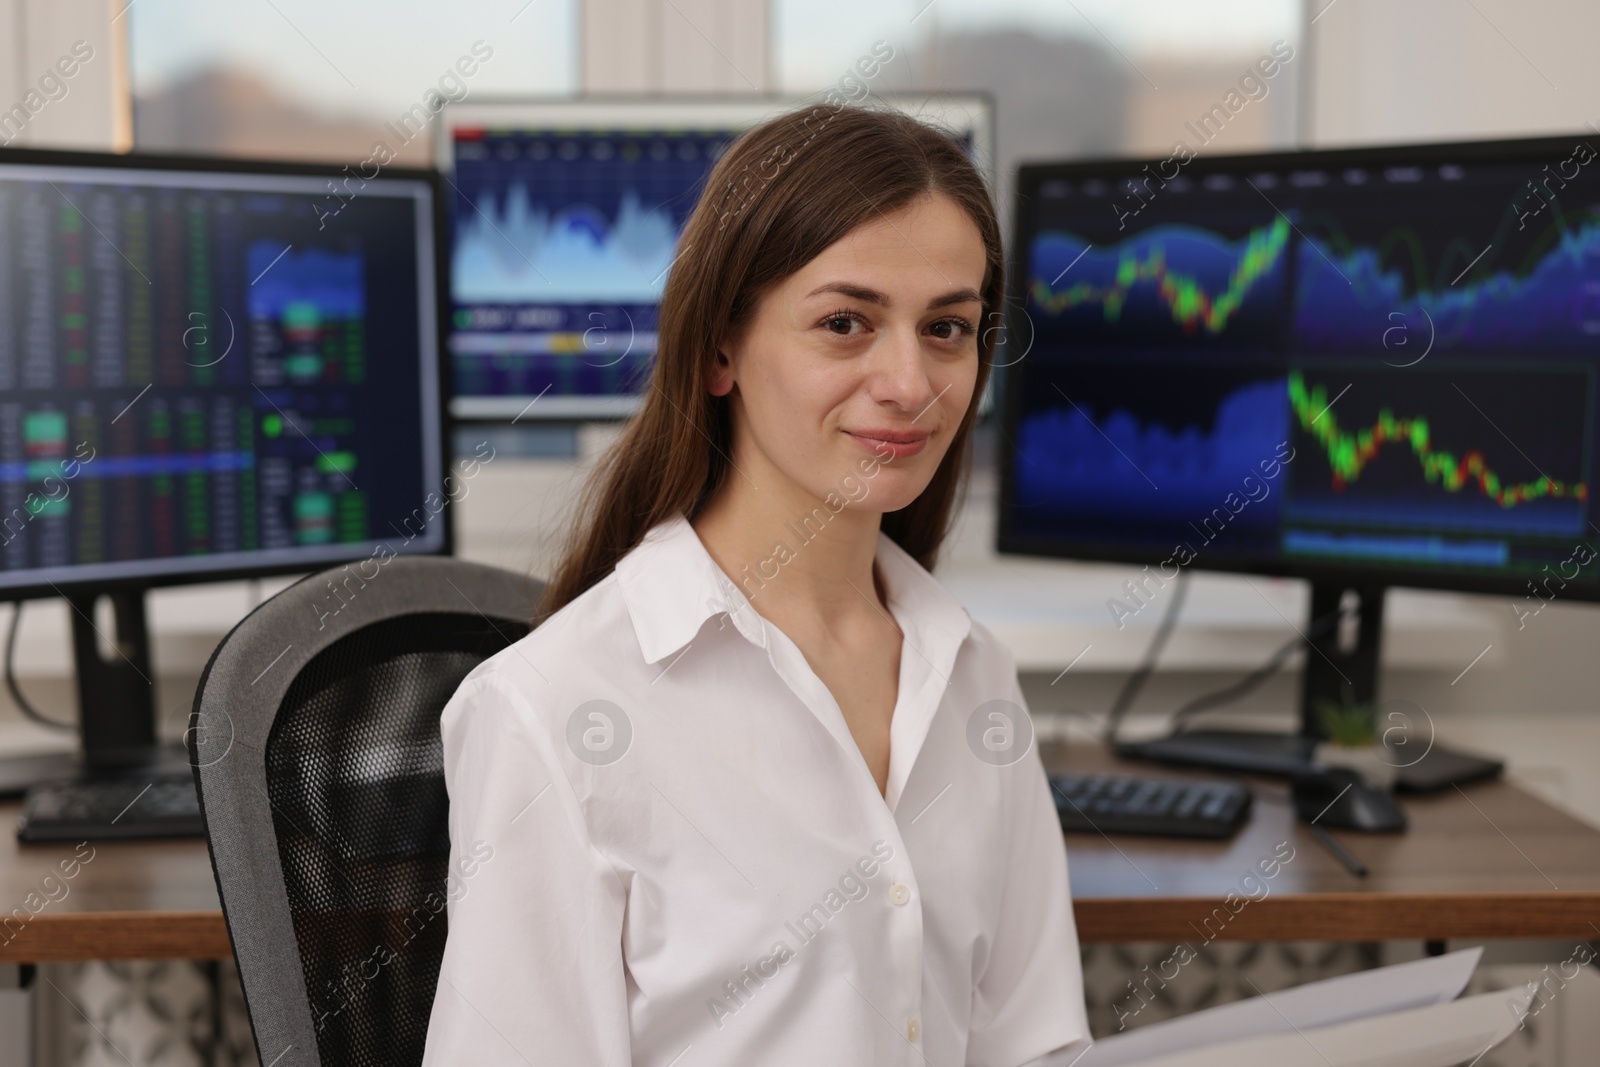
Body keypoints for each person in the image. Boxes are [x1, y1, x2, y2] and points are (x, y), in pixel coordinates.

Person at [421, 102, 1090, 1066]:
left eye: (947, 327)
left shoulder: (974, 676)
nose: (910, 381)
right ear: (719, 349)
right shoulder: (551, 709)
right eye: (845, 322)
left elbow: (1035, 1045)